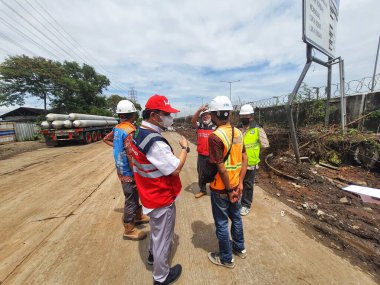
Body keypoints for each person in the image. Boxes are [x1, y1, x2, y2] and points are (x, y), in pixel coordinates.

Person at [131, 94, 189, 285]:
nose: (170, 118)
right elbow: (175, 169)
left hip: (148, 193)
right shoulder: (154, 141)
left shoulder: (138, 133)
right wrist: (184, 149)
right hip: (160, 197)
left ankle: (151, 256)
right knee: (164, 237)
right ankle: (161, 277)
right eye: (167, 114)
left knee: (157, 232)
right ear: (155, 116)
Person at [206, 96, 248, 269]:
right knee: (236, 218)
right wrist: (240, 183)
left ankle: (226, 258)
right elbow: (245, 158)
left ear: (215, 115)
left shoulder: (215, 137)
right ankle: (240, 248)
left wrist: (230, 189)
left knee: (222, 223)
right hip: (236, 185)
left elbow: (221, 168)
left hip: (222, 188)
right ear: (229, 113)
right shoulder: (238, 132)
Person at [103, 99, 150, 240]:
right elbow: (131, 155)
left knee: (134, 195)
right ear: (133, 114)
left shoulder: (117, 128)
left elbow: (106, 139)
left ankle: (138, 216)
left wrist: (118, 149)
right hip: (129, 171)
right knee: (131, 198)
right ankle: (129, 230)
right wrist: (137, 172)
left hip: (120, 169)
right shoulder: (130, 130)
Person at [238, 104, 269, 216]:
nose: (243, 118)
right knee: (238, 182)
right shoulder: (238, 128)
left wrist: (255, 153)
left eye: (246, 116)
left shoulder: (257, 129)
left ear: (251, 117)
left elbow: (265, 144)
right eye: (242, 115)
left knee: (248, 184)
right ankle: (238, 200)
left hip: (250, 162)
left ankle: (246, 205)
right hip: (238, 162)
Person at [191, 105, 216, 198]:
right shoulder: (200, 125)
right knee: (201, 173)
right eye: (203, 115)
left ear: (211, 115)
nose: (205, 116)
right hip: (201, 155)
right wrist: (199, 110)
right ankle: (203, 190)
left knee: (214, 172)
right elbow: (193, 121)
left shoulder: (215, 126)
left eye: (207, 115)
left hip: (212, 155)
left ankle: (214, 189)